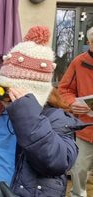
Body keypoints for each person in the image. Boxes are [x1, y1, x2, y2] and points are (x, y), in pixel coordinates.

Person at [0, 26, 85, 197]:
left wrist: (25, 113)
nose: (6, 96)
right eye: (4, 88)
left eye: (12, 90)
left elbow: (57, 162)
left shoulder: (55, 119)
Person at [58, 26, 93, 197]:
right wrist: (72, 103)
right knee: (79, 170)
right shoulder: (79, 62)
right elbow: (64, 89)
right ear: (89, 42)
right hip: (85, 129)